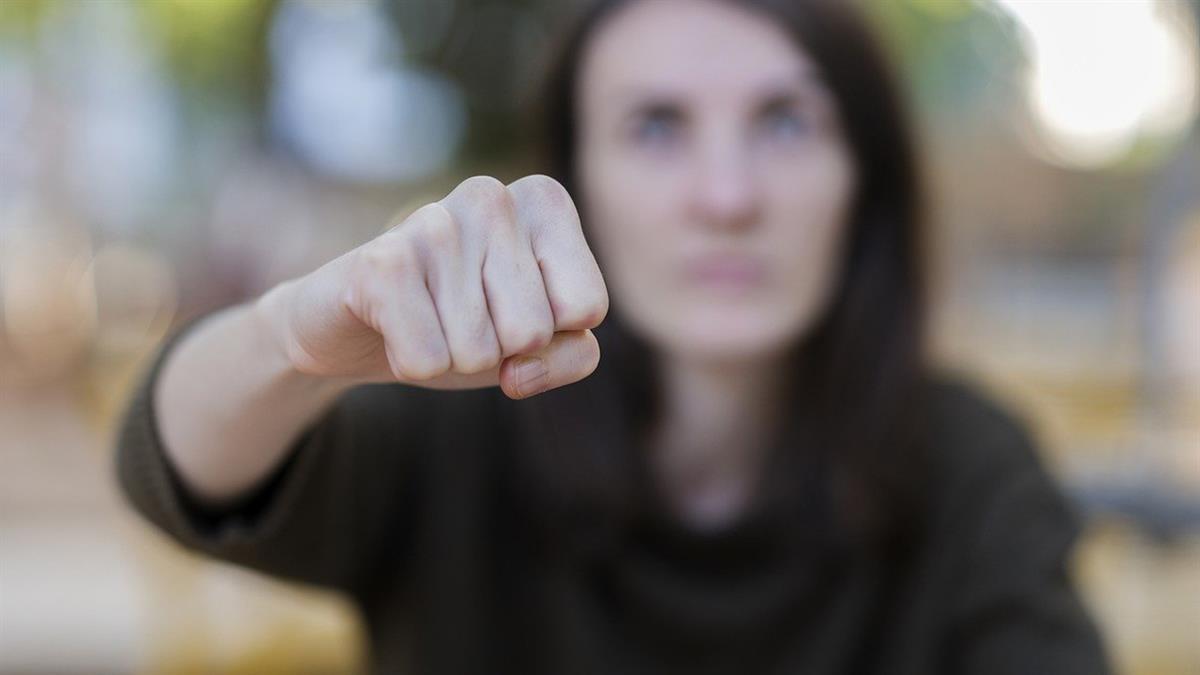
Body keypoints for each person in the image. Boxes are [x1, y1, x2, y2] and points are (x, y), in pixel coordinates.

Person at [113, 0, 1114, 673]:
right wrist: (293, 340)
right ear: (576, 185)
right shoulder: (460, 433)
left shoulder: (971, 464)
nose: (726, 198)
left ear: (867, 182)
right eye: (656, 128)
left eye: (784, 123)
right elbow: (179, 468)